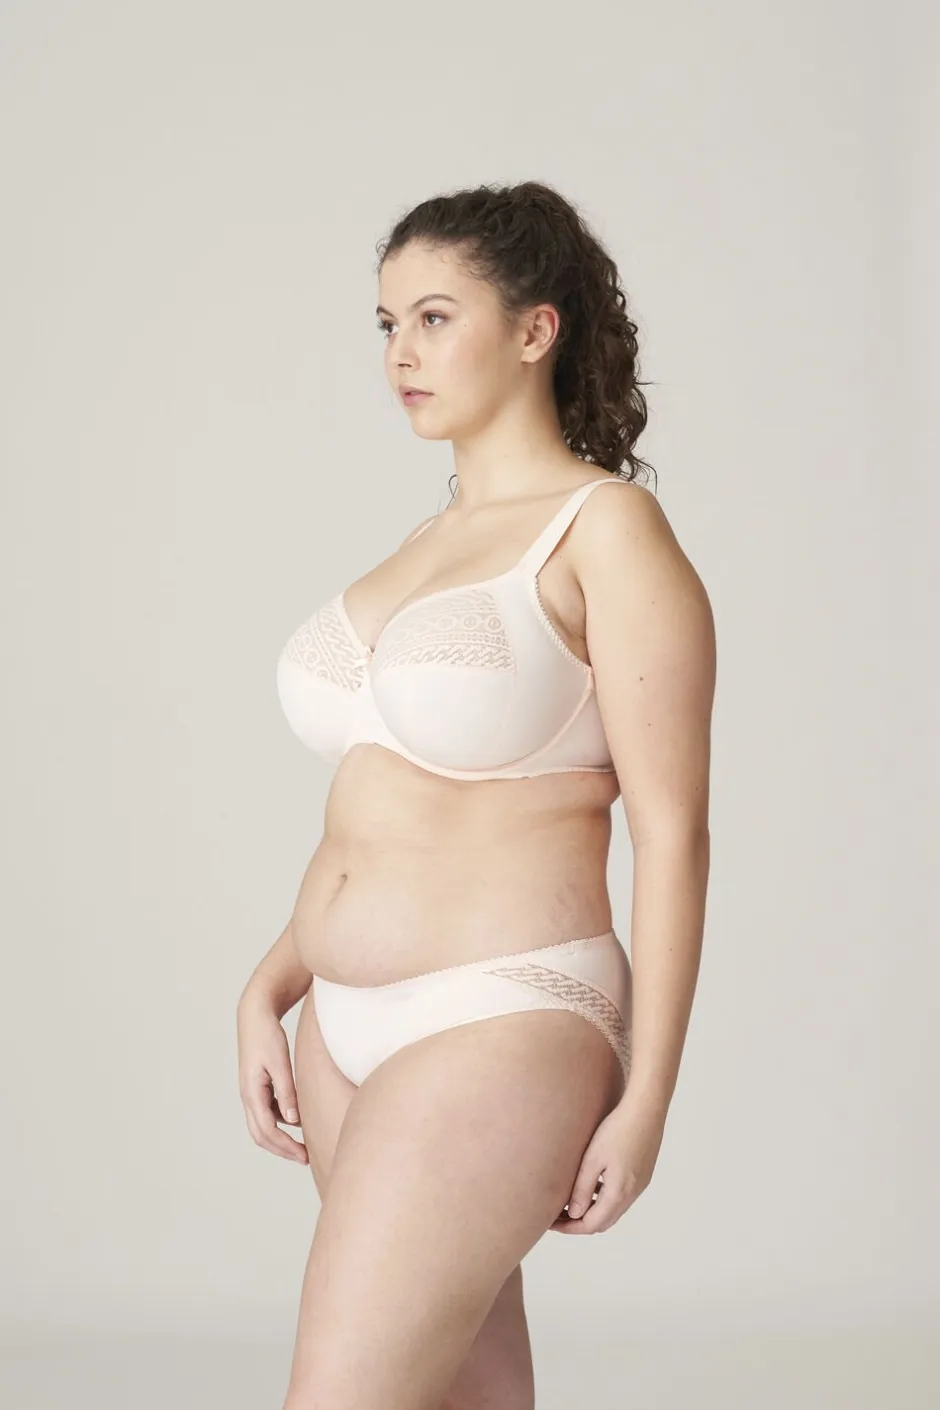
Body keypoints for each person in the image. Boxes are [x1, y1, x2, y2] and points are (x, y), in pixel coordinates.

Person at [236, 179, 716, 1410]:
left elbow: (671, 836)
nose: (400, 353)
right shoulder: (420, 544)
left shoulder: (605, 532)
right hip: (338, 1027)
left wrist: (646, 1104)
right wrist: (271, 981)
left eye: (435, 318)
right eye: (387, 323)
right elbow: (386, 802)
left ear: (535, 329)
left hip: (502, 1014)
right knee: (467, 1396)